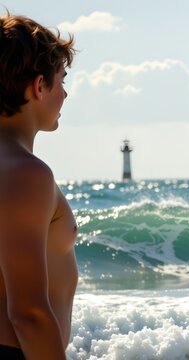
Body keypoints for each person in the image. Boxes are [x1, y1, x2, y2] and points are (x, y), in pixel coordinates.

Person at [0, 12, 77, 359]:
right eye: (61, 79)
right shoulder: (24, 173)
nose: (64, 93)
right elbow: (28, 313)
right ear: (39, 86)